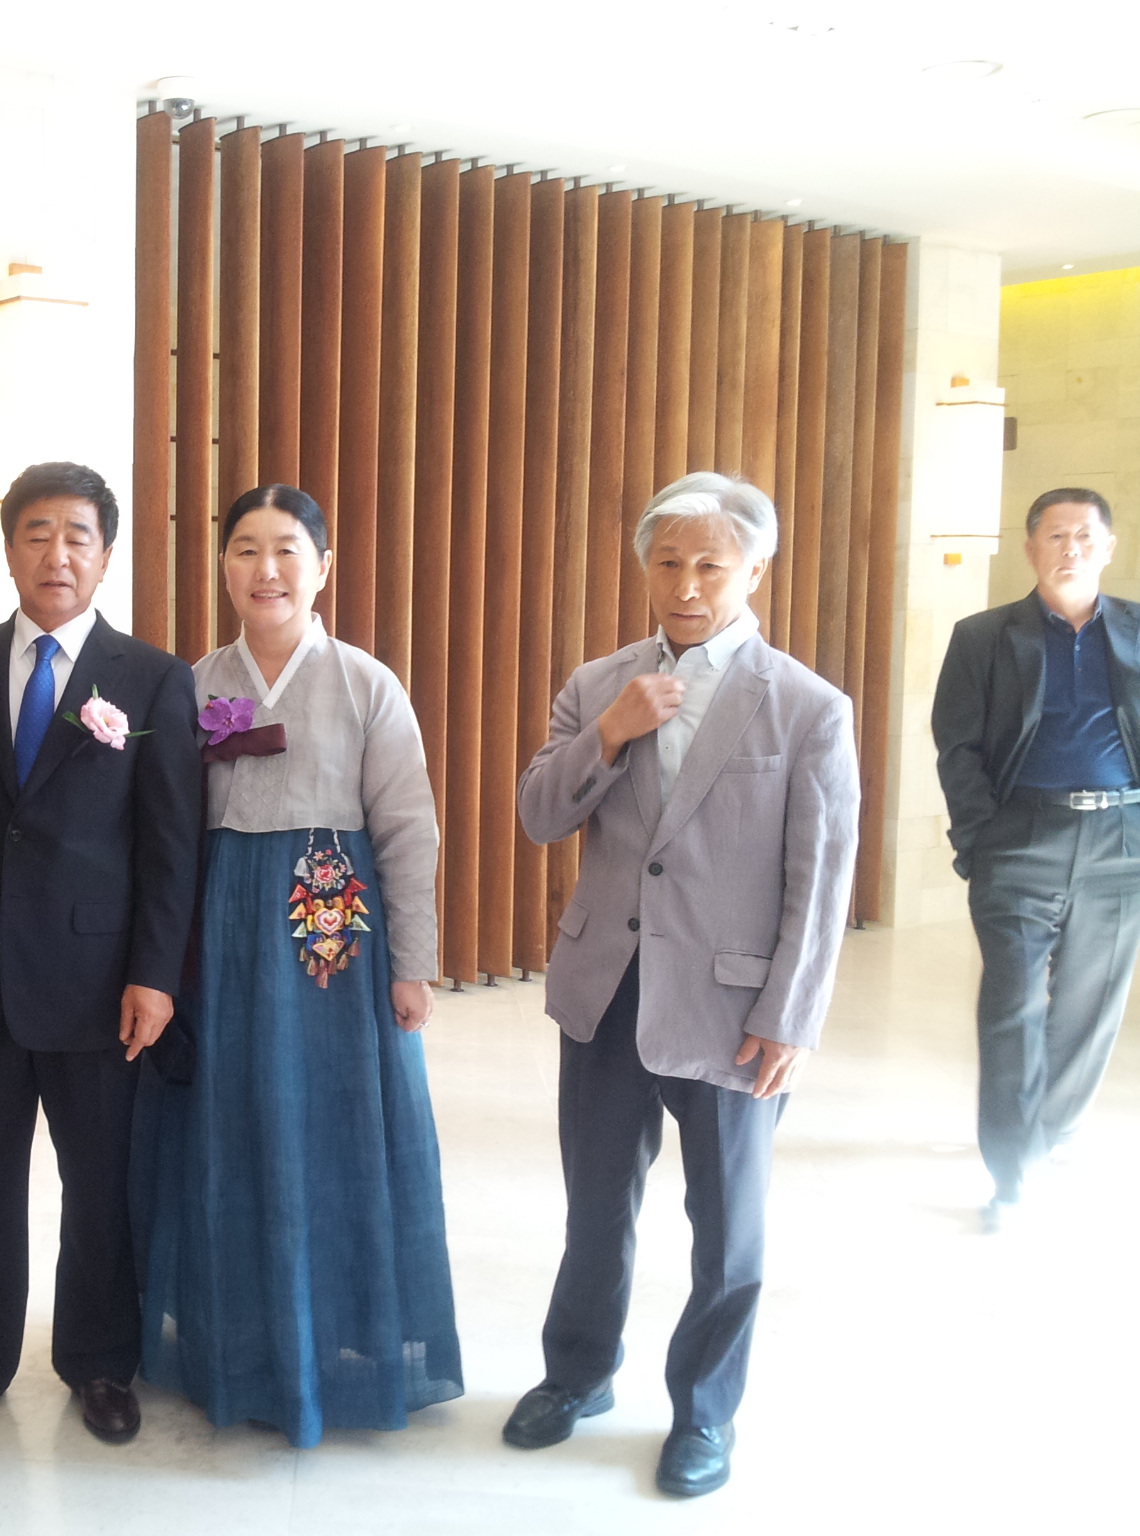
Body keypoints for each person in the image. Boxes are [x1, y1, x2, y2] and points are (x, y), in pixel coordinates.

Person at [509, 472, 858, 1498]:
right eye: (667, 562)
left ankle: (704, 1414)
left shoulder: (807, 707)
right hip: (605, 992)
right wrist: (608, 733)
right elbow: (538, 814)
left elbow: (820, 880)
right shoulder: (598, 684)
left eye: (710, 563)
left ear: (755, 569)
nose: (687, 584)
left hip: (734, 1010)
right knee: (593, 1209)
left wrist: (790, 1015)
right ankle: (576, 1376)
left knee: (728, 1231)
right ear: (644, 569)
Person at [131, 485, 462, 1447]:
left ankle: (335, 1338)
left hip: (330, 928)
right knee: (226, 1125)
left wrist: (413, 962)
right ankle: (235, 1340)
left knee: (330, 1125)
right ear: (222, 566)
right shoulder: (191, 685)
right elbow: (160, 835)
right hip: (218, 929)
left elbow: (407, 829)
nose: (265, 569)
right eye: (244, 548)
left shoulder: (366, 683)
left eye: (286, 549)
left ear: (322, 567)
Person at [0, 462, 204, 1443]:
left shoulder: (153, 678)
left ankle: (99, 1362)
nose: (56, 554)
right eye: (36, 532)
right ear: (8, 549)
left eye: (77, 536)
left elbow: (170, 845)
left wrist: (155, 975)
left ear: (105, 555)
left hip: (98, 984)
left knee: (97, 1188)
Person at [932, 487, 1140, 1232]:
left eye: (1084, 536)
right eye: (1055, 535)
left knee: (1090, 1006)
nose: (1070, 548)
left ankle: (1048, 1134)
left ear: (1107, 547)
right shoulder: (983, 636)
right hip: (1020, 838)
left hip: (1121, 842)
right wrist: (982, 840)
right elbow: (957, 747)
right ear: (1030, 548)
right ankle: (1013, 1173)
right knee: (1013, 1005)